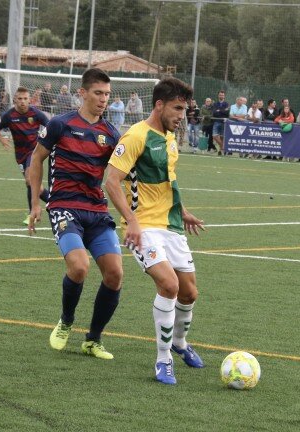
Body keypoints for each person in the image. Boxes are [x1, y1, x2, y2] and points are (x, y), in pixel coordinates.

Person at [104, 77, 205, 385]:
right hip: (143, 227)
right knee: (169, 285)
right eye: (176, 108)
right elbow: (111, 181)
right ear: (159, 105)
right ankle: (164, 359)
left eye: (184, 110)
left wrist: (182, 210)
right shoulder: (136, 136)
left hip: (171, 225)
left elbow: (167, 181)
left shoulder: (170, 138)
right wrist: (131, 221)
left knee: (190, 292)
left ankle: (180, 343)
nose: (181, 115)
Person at [28, 68, 123, 360]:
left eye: (107, 94)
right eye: (98, 93)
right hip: (65, 207)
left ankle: (93, 340)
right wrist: (34, 203)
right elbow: (36, 159)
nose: (103, 99)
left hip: (97, 211)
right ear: (82, 93)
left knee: (115, 274)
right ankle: (66, 321)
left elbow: (121, 174)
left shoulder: (111, 134)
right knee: (80, 267)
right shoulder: (60, 124)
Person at [0, 87, 50, 225]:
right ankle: (57, 203)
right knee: (35, 186)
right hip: (20, 155)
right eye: (20, 99)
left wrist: (47, 141)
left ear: (30, 100)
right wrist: (3, 140)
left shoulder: (36, 113)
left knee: (30, 179)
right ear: (14, 100)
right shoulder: (9, 116)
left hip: (35, 151)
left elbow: (51, 127)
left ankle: (32, 215)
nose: (23, 102)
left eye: (25, 99)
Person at [211, 90, 230, 155]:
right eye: (220, 95)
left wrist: (219, 111)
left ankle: (221, 151)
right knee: (214, 136)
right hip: (216, 121)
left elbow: (227, 113)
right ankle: (223, 147)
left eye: (222, 95)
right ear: (218, 95)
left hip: (223, 122)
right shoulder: (215, 104)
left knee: (222, 137)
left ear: (224, 96)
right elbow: (214, 113)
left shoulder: (226, 104)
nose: (221, 96)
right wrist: (222, 111)